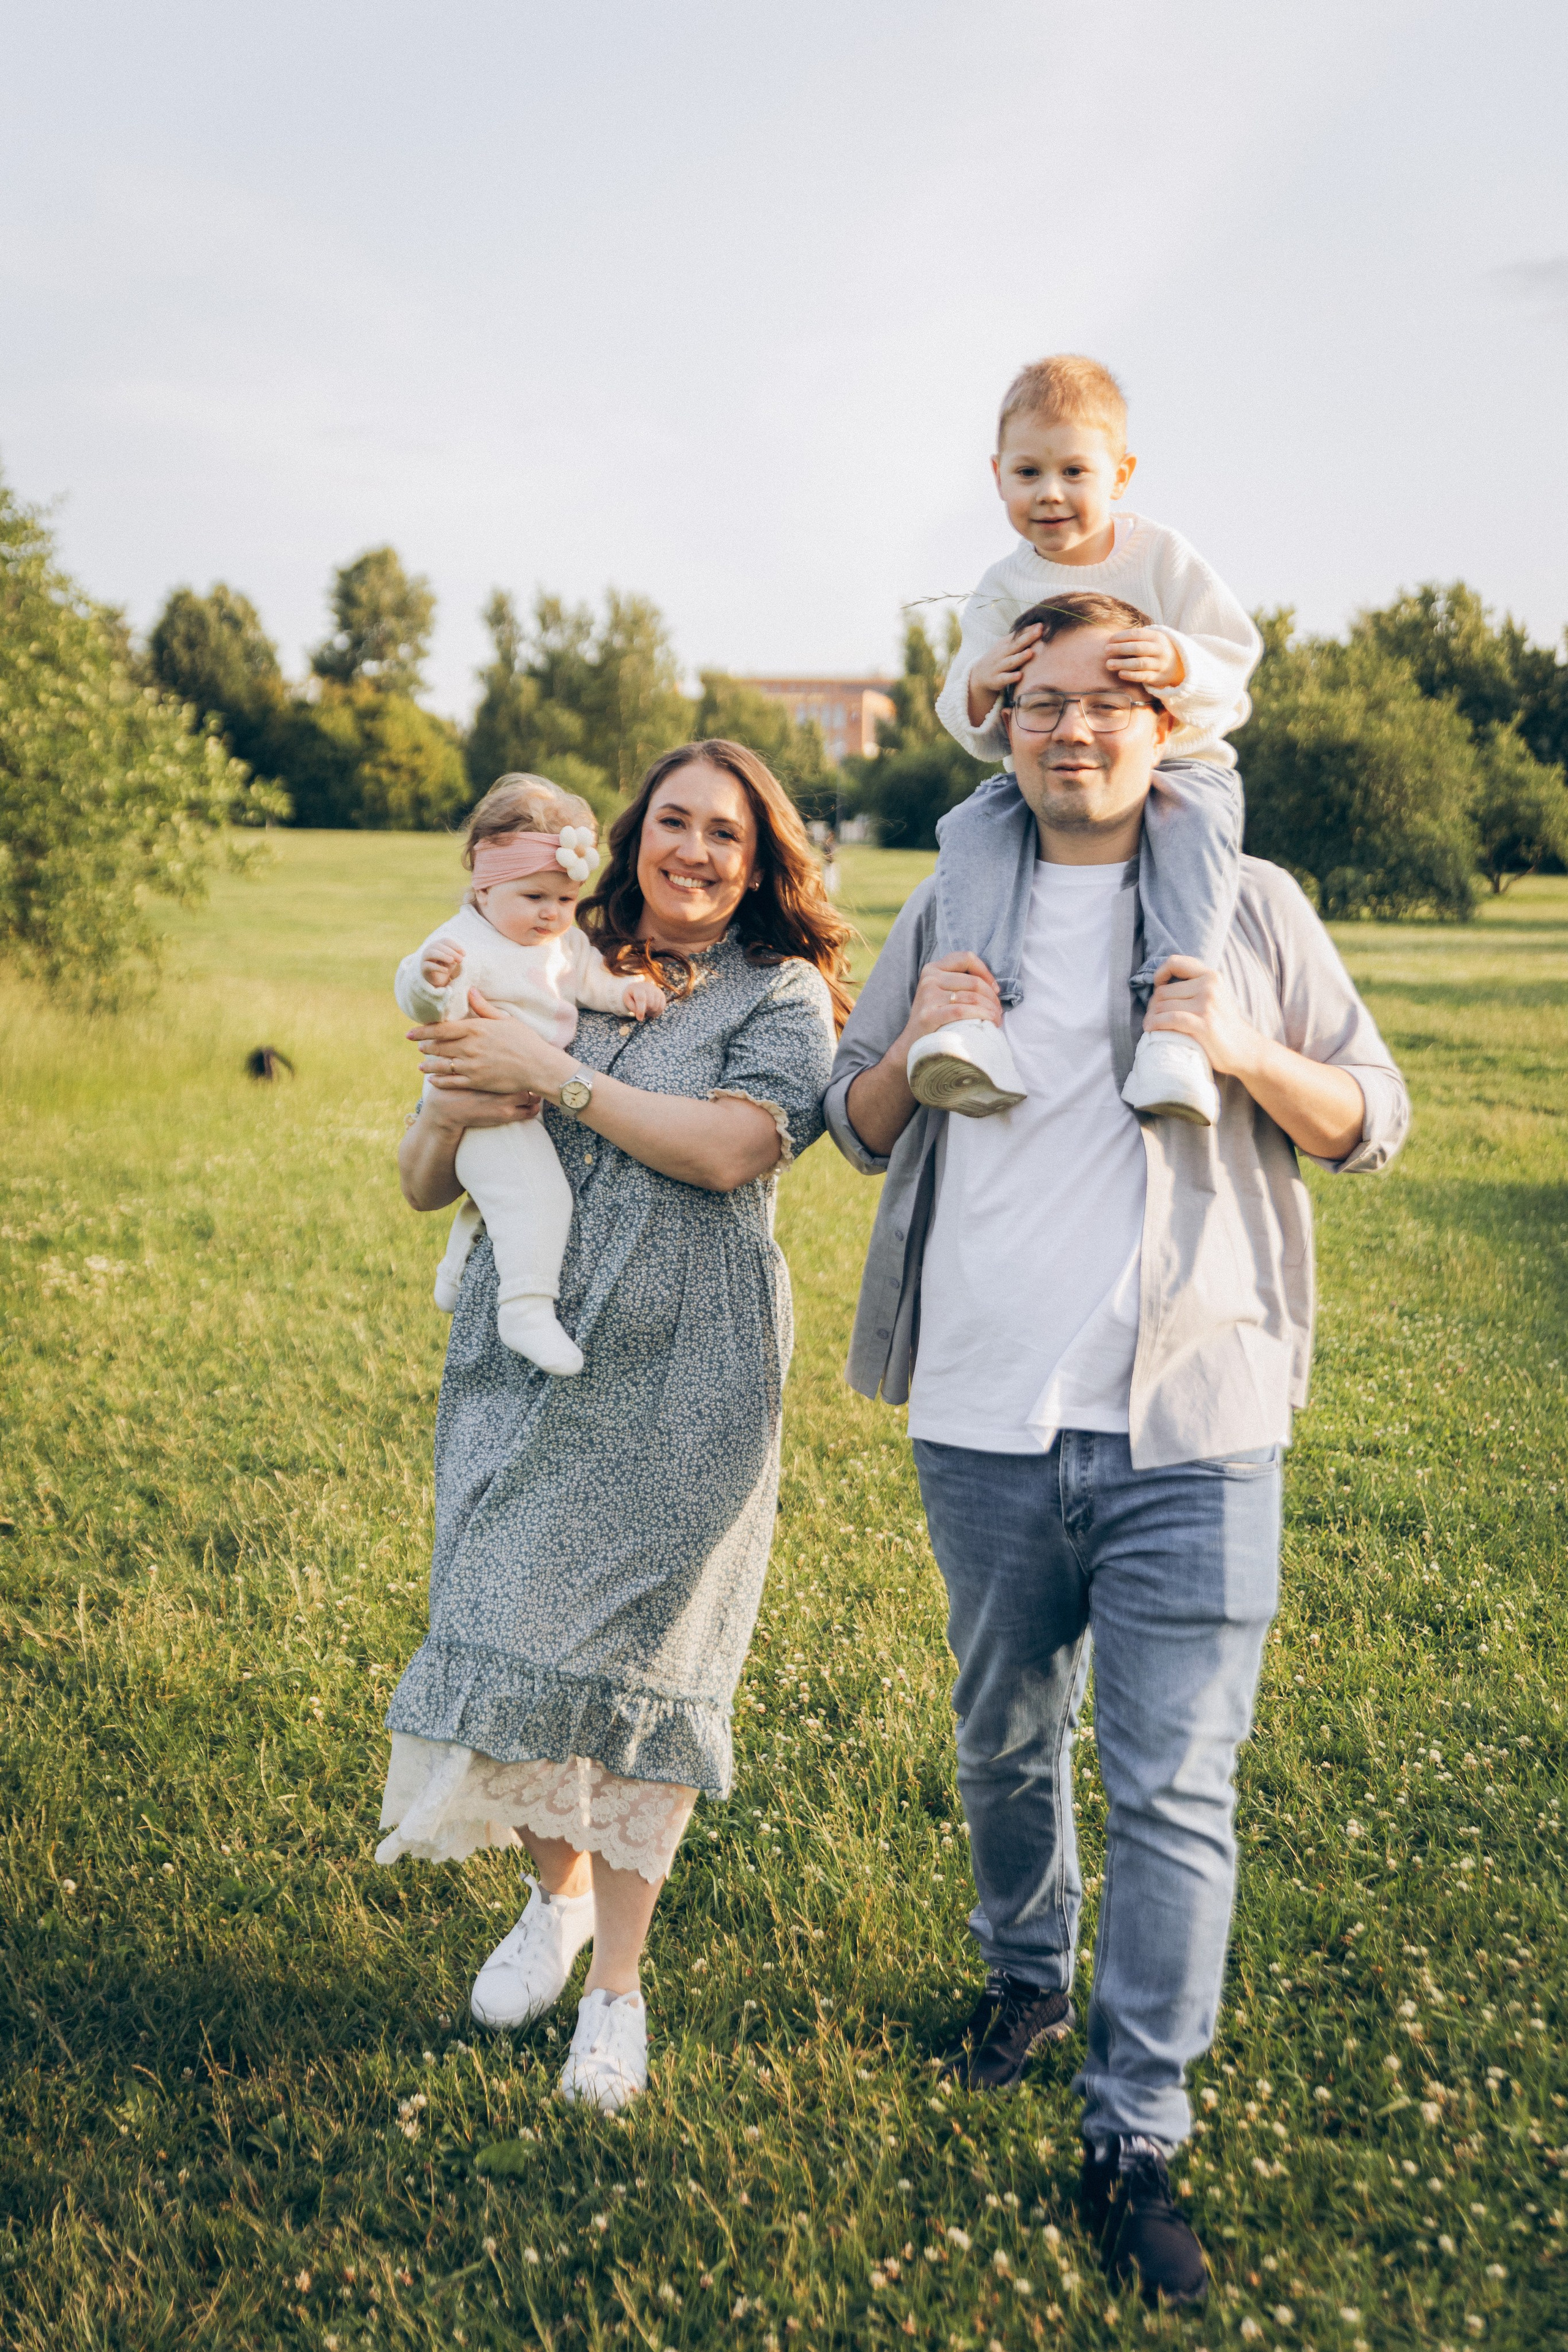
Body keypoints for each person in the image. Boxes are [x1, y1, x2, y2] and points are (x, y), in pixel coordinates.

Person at [826, 595, 1409, 2309]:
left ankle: (1134, 2127)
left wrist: (1241, 1051)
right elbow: (855, 1125)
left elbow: (1376, 1119)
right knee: (1006, 1739)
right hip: (984, 1413)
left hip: (1195, 1422)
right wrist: (920, 1027)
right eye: (1042, 704)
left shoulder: (1253, 907)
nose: (1074, 731)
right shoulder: (949, 897)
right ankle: (1024, 1975)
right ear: (1000, 724)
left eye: (1110, 705)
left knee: (1174, 1790)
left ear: (1171, 730)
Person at [377, 741, 849, 2113]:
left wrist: (558, 1073)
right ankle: (555, 1899)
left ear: (759, 865)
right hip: (524, 1359)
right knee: (507, 1626)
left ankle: (616, 1993)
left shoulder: (784, 996)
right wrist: (464, 1093)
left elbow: (729, 1150)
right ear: (631, 835)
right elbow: (423, 1174)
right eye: (674, 824)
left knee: (645, 1681)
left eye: (728, 836)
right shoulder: (542, 944)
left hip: (689, 1370)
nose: (694, 852)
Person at [911, 354, 1261, 1130]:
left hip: (1180, 764)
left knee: (1197, 825)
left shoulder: (1161, 557)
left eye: (1075, 471)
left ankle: (1174, 1030)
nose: (1051, 494)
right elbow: (963, 716)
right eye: (1028, 472)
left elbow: (1233, 657)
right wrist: (980, 683)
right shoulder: (1004, 587)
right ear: (997, 476)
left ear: (1121, 474)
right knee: (972, 826)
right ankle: (973, 1018)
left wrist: (1177, 659)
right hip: (1045, 777)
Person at [394, 774, 666, 1376]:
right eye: (534, 898)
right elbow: (421, 1000)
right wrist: (427, 981)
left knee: (503, 1190)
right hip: (476, 1099)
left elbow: (589, 981)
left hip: (520, 1097)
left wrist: (626, 994)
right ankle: (525, 1311)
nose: (552, 915)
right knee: (537, 1195)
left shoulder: (563, 944)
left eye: (565, 901)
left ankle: (455, 1266)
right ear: (485, 889)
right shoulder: (463, 942)